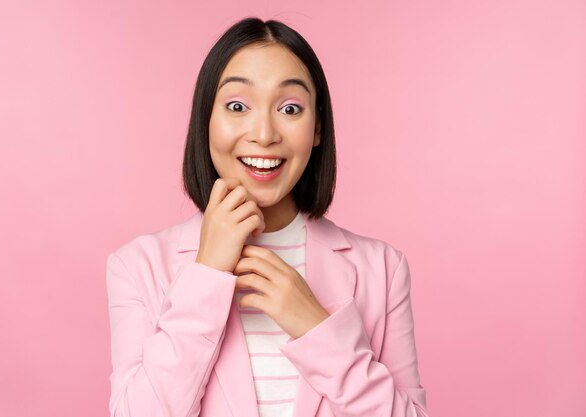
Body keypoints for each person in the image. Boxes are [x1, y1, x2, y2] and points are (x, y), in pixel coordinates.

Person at [106, 17, 429, 417]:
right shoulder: (136, 266)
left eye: (290, 108)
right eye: (237, 106)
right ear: (205, 120)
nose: (263, 133)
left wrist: (318, 331)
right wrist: (205, 275)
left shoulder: (383, 269)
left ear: (317, 128)